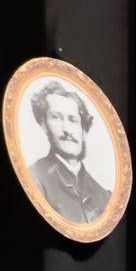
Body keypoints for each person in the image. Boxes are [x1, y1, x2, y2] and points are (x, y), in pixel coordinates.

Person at [28, 78, 112, 225]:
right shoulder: (34, 180)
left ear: (83, 130)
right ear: (44, 125)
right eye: (56, 118)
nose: (66, 129)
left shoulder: (105, 197)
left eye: (73, 120)